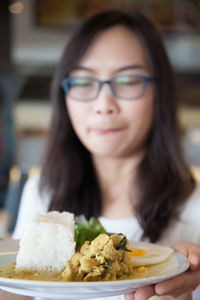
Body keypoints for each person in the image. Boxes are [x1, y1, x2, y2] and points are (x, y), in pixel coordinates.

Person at [11, 10, 200, 300]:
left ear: (159, 93)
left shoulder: (194, 208)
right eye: (84, 82)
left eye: (126, 81)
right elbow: (17, 289)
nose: (103, 104)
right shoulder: (42, 191)